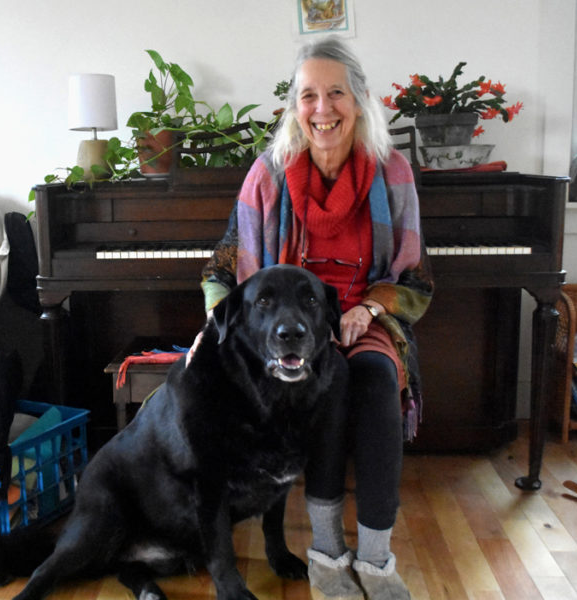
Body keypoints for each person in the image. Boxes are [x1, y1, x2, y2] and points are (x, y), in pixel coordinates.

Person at [191, 36, 433, 600]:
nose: (322, 110)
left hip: (364, 317)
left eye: (335, 94)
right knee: (330, 380)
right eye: (308, 96)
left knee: (372, 378)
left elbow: (416, 276)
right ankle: (326, 555)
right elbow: (224, 265)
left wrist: (367, 309)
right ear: (293, 107)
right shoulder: (269, 173)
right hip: (289, 329)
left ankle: (375, 561)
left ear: (361, 99)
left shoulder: (391, 171)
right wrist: (211, 324)